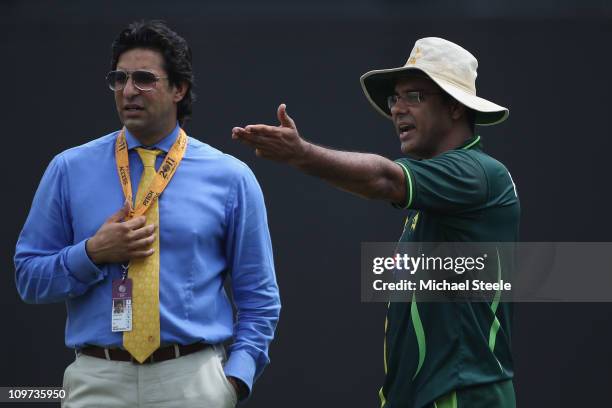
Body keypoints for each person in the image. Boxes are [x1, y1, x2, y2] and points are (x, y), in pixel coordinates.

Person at [232, 37, 519, 408]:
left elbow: (384, 180)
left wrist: (301, 155)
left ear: (454, 108)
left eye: (413, 96)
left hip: (464, 396)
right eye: (394, 99)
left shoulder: (478, 172)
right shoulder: (438, 196)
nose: (397, 109)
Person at [15, 20, 280, 408]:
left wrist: (235, 379)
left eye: (143, 79)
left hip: (192, 379)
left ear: (179, 88)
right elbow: (27, 278)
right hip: (97, 379)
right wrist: (90, 253)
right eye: (119, 78)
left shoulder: (231, 178)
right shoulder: (68, 169)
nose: (128, 91)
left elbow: (259, 296)